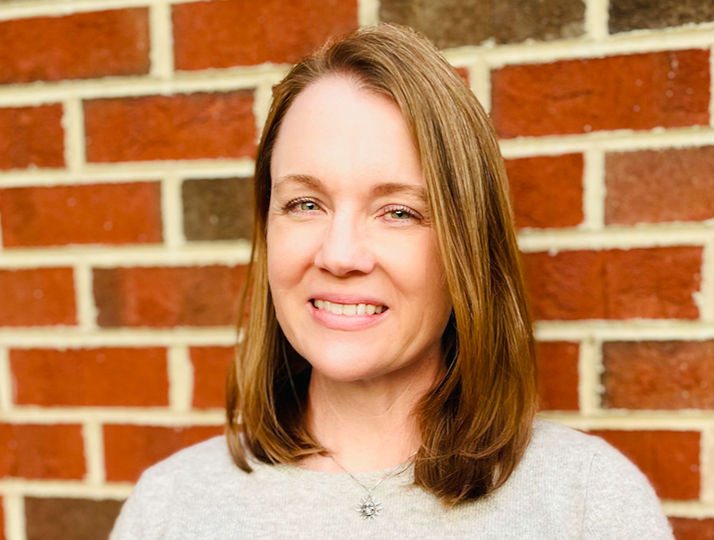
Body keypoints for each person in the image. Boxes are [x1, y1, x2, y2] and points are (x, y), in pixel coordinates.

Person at [110, 23, 674, 539]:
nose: (340, 254)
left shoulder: (586, 504)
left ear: (466, 249)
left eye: (399, 212)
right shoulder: (170, 508)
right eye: (305, 203)